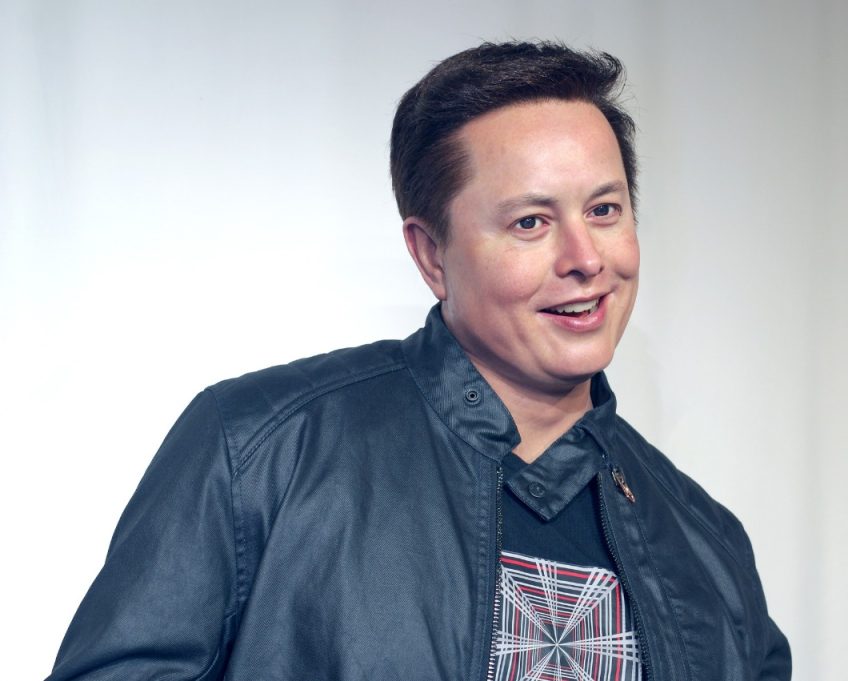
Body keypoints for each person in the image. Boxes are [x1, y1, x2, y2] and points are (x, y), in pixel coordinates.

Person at [48, 41, 791, 680]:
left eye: (604, 210)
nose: (584, 258)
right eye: (531, 221)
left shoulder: (709, 545)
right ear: (431, 254)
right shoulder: (258, 449)